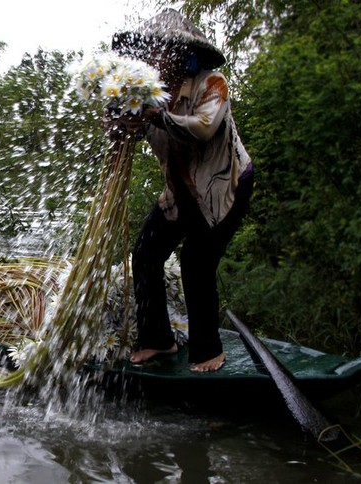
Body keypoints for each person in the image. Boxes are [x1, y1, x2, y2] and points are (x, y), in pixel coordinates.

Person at [108, 9, 254, 372]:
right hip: (181, 190)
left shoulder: (212, 84)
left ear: (179, 54)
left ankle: (209, 350)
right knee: (145, 253)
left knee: (196, 262)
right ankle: (158, 340)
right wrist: (117, 124)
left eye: (158, 51)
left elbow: (203, 128)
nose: (150, 59)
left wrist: (157, 116)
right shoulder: (148, 96)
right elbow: (126, 133)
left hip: (225, 187)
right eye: (146, 53)